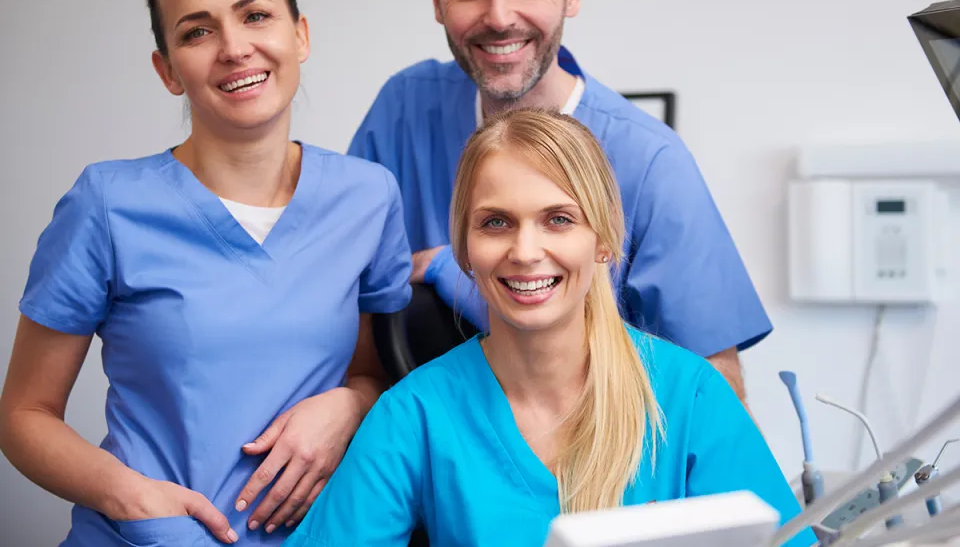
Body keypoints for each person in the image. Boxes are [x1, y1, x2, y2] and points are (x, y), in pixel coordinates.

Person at [0, 0, 412, 547]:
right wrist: (129, 496)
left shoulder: (368, 197)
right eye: (197, 31)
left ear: (300, 34)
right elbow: (23, 416)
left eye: (255, 16)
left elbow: (374, 374)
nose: (234, 48)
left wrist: (350, 408)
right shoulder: (108, 204)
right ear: (167, 70)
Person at [283, 108, 816, 547]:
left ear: (603, 238)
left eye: (559, 219)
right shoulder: (415, 414)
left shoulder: (690, 396)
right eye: (496, 223)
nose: (525, 252)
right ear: (465, 249)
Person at [348, 0, 769, 403]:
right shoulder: (405, 109)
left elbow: (716, 392)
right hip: (428, 453)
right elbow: (342, 295)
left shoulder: (649, 160)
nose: (499, 17)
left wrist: (450, 272)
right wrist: (352, 397)